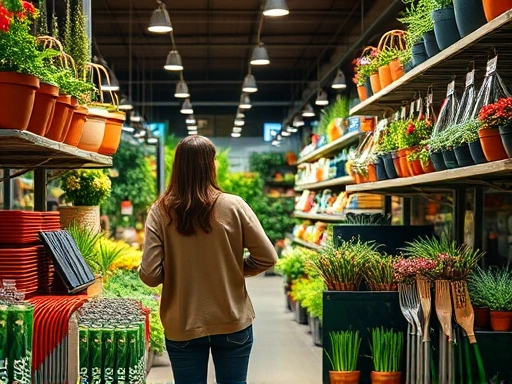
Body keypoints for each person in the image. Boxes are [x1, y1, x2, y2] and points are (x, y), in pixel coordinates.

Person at [139, 135, 278, 384]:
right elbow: (267, 257)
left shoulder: (160, 211)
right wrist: (234, 269)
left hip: (183, 322)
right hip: (232, 319)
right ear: (211, 165)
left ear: (178, 167)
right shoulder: (234, 206)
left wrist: (176, 273)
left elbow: (149, 275)